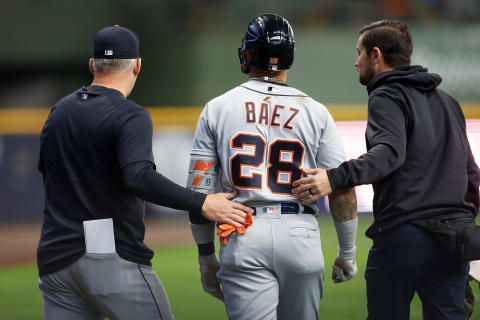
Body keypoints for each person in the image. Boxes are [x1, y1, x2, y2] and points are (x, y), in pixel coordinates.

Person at [37, 25, 252, 320]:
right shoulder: (129, 114)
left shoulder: (58, 111)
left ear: (92, 65)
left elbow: (48, 175)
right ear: (137, 65)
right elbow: (138, 177)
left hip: (54, 259)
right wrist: (202, 202)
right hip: (109, 255)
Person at [292, 20, 480, 320]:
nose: (356, 61)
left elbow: (389, 155)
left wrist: (333, 176)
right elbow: (472, 176)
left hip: (405, 236)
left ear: (376, 55)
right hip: (453, 239)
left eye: (359, 53)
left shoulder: (386, 95)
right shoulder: (449, 102)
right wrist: (462, 229)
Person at [186, 14, 358, 320]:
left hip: (243, 232)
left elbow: (198, 191)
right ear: (290, 55)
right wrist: (347, 253)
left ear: (249, 54)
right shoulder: (315, 111)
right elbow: (342, 187)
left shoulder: (217, 107)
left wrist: (205, 258)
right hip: (300, 233)